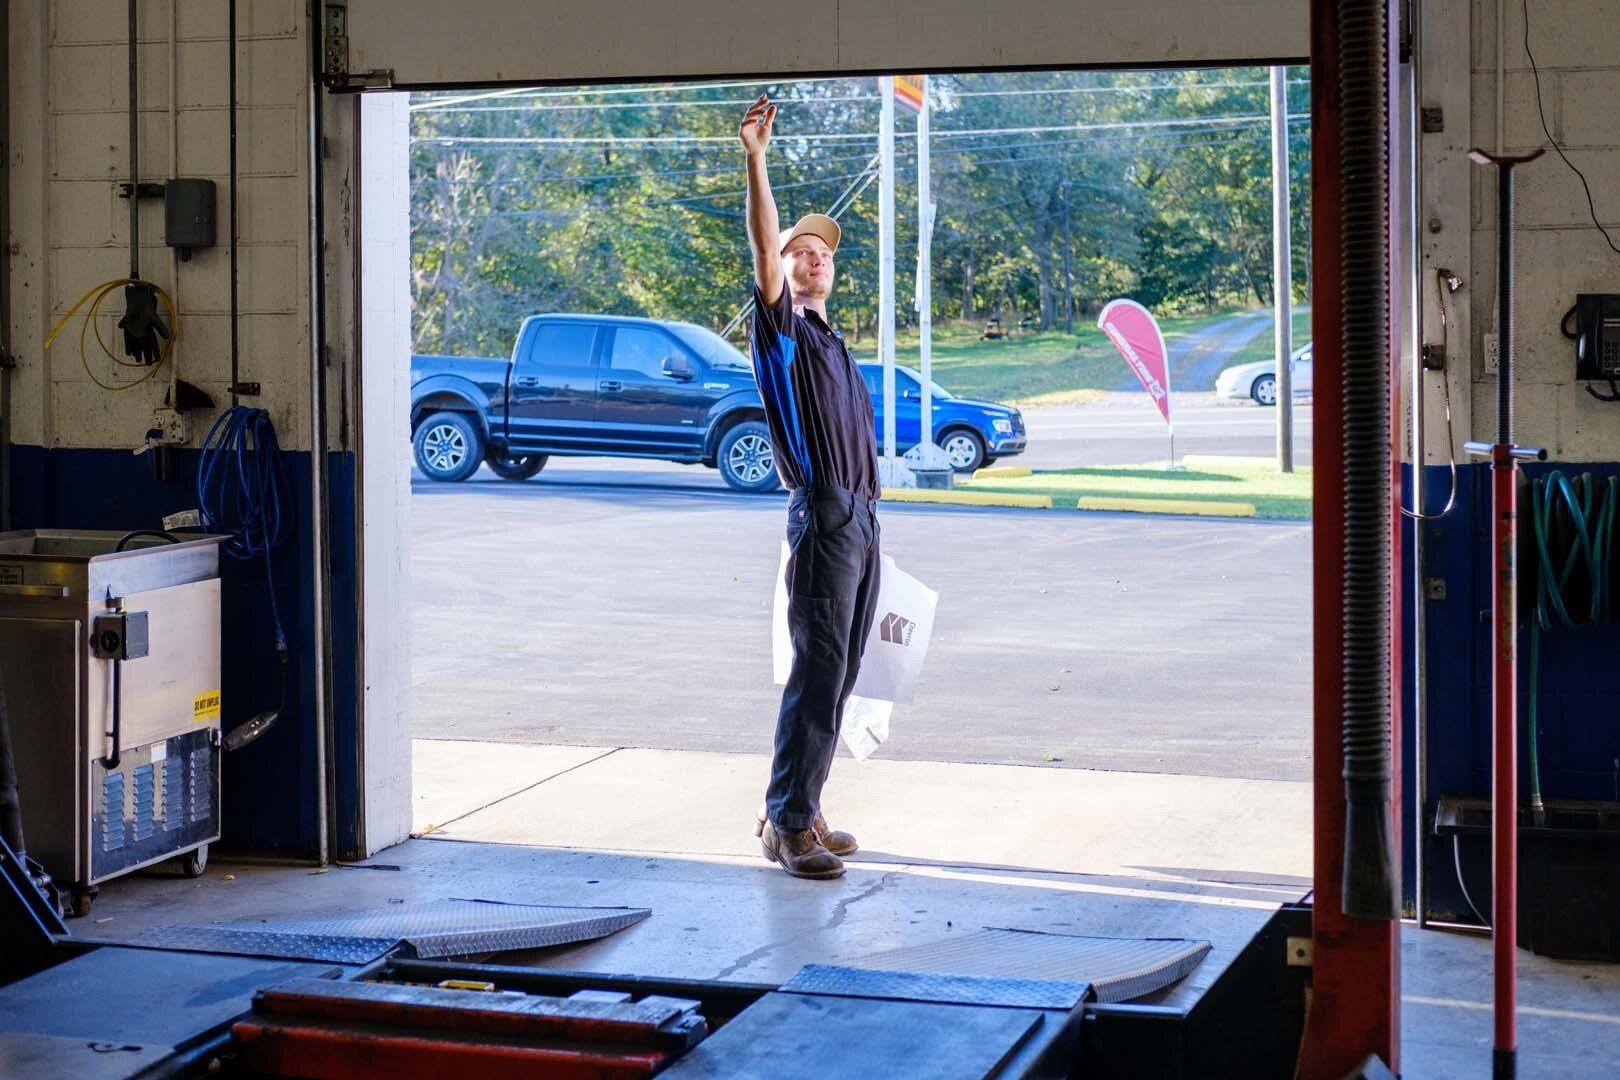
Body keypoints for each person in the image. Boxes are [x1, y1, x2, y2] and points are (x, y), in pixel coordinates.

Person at [740, 93, 882, 881]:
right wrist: (756, 159)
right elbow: (763, 255)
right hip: (824, 517)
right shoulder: (784, 332)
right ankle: (789, 826)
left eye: (821, 251)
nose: (811, 257)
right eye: (799, 250)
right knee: (818, 668)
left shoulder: (834, 342)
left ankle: (798, 805)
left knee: (841, 671)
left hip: (861, 520)